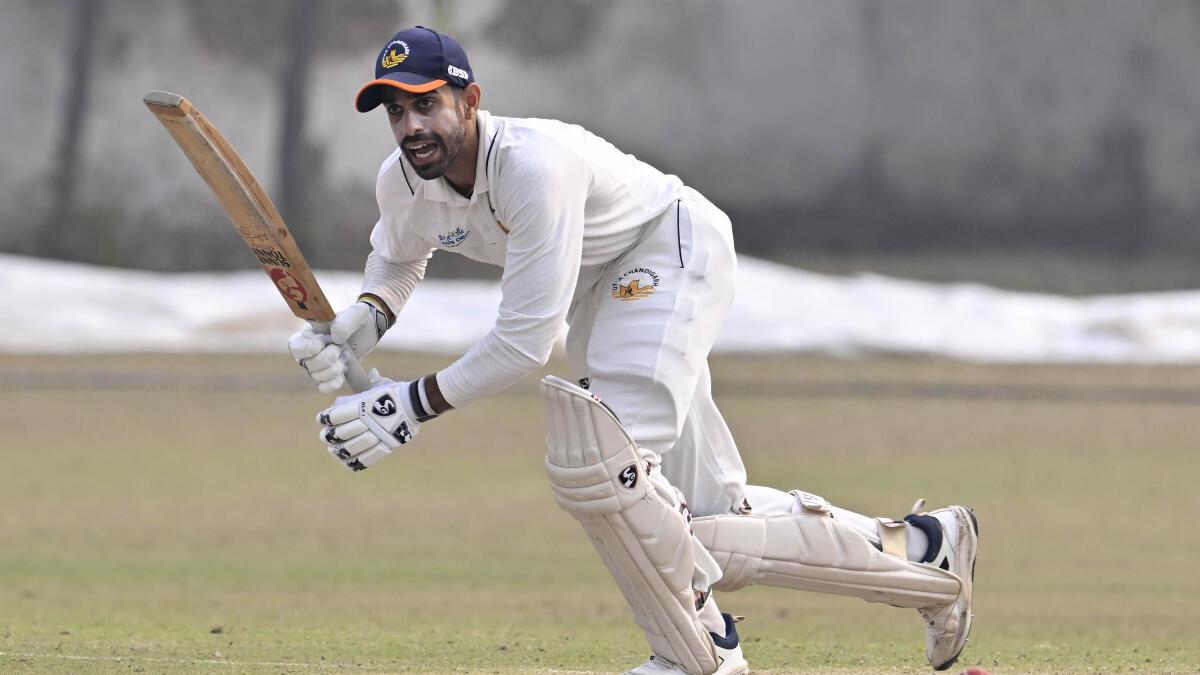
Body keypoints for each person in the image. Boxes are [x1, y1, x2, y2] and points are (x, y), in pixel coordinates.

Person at [290, 26, 978, 675]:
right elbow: (398, 259)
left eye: (426, 105)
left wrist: (410, 404)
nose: (411, 127)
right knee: (709, 520)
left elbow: (527, 339)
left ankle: (701, 648)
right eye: (395, 112)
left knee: (602, 462)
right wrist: (367, 317)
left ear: (470, 101)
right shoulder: (403, 180)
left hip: (666, 251)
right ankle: (926, 551)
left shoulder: (533, 167)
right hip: (605, 293)